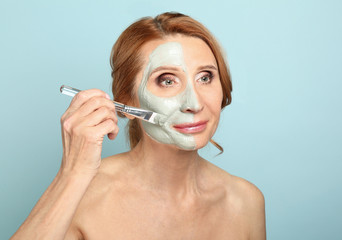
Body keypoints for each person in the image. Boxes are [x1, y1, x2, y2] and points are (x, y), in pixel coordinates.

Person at [11, 12, 266, 239]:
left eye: (205, 77)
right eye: (167, 81)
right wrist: (72, 174)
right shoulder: (82, 195)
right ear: (127, 101)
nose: (194, 103)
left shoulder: (245, 201)